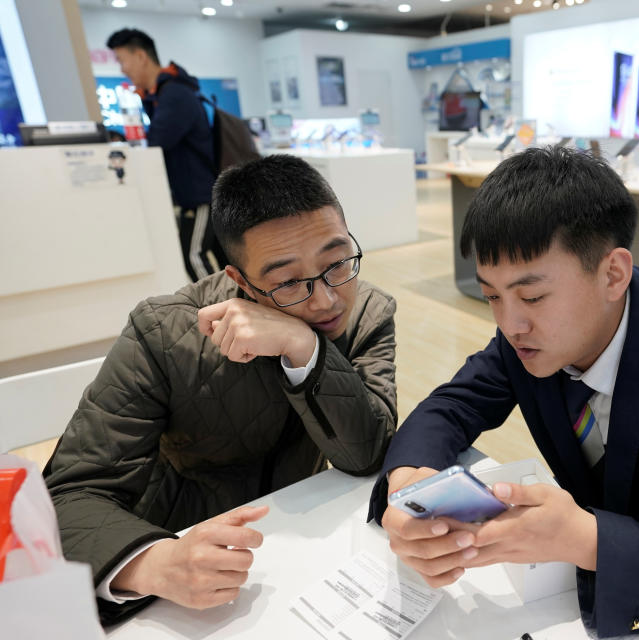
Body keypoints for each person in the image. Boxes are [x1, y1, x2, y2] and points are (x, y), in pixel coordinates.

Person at [368, 146, 639, 640]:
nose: (509, 323)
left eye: (533, 295)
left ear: (613, 274)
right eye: (492, 295)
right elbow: (453, 405)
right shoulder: (529, 338)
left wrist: (589, 539)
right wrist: (410, 486)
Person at [45, 154, 397, 624]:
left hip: (301, 555)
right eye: (289, 282)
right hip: (176, 555)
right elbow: (68, 496)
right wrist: (154, 563)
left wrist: (304, 345)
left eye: (337, 261)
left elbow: (368, 455)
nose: (328, 298)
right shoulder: (163, 332)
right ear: (240, 280)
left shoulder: (367, 313)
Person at [107, 27, 227, 281]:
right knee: (214, 256)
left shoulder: (174, 93)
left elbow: (158, 142)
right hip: (194, 193)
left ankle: (224, 314)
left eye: (121, 60)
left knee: (194, 256)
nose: (122, 69)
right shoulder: (163, 94)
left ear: (140, 56)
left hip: (199, 194)